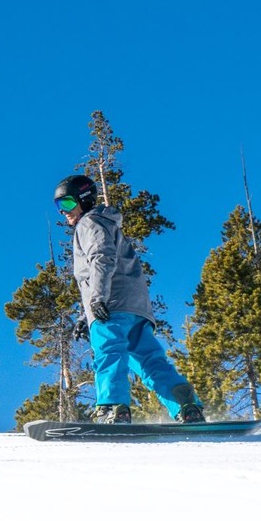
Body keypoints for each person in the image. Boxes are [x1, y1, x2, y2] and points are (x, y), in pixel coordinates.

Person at [56, 175, 207, 424]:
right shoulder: (107, 224)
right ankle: (187, 405)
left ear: (84, 200)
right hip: (135, 308)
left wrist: (97, 300)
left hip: (110, 305)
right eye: (59, 207)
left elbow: (101, 258)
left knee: (108, 352)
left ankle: (112, 407)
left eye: (68, 204)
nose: (64, 212)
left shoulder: (88, 223)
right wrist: (85, 316)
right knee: (149, 360)